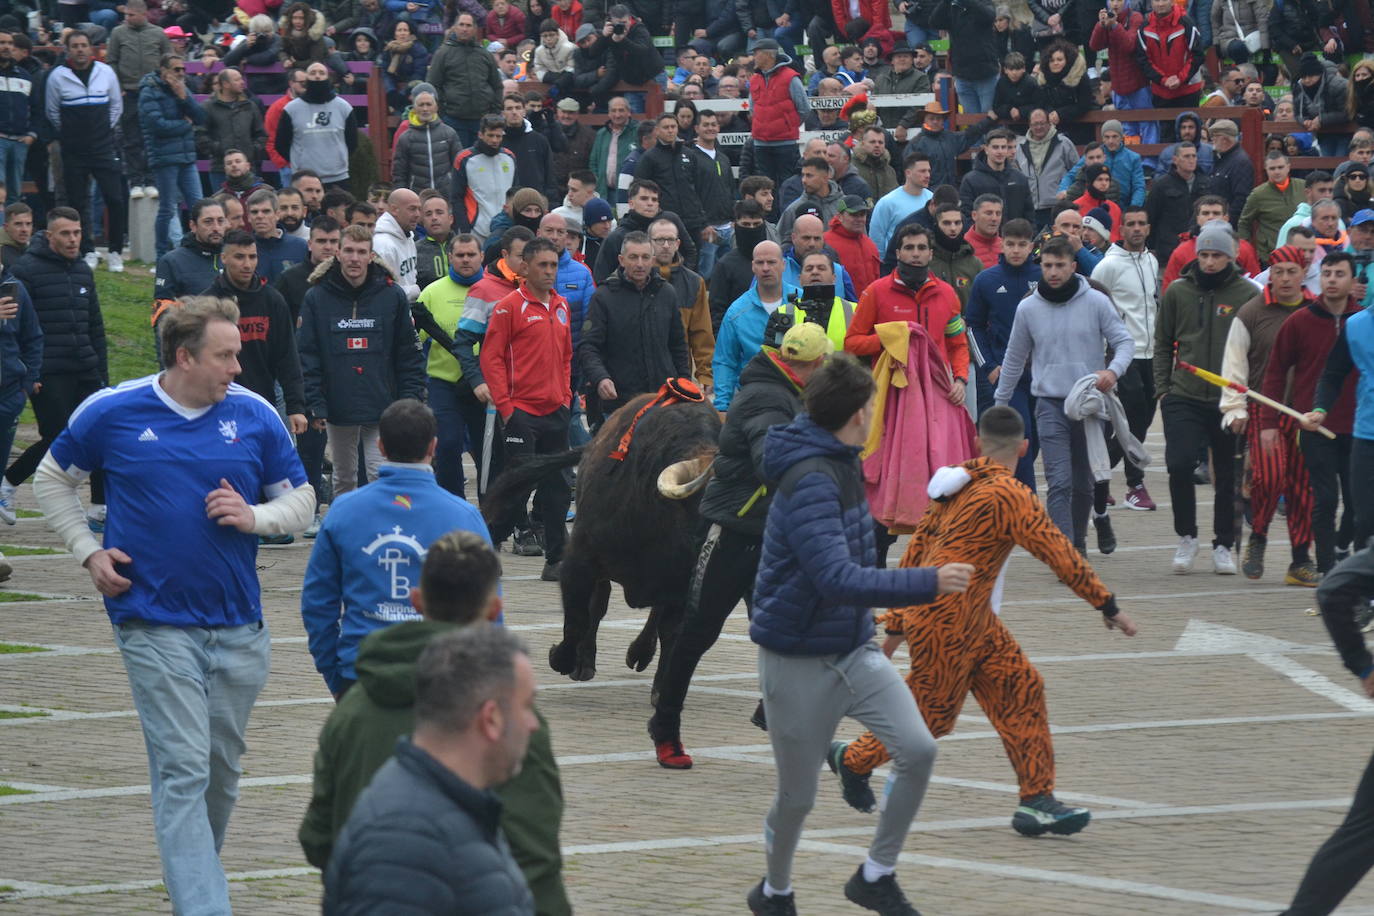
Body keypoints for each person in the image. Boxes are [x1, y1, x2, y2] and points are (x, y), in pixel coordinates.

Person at [33, 297, 314, 915]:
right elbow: (52, 478)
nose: (238, 367)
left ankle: (192, 874)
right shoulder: (112, 410)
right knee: (184, 767)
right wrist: (88, 550)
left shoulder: (254, 413)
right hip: (151, 622)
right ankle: (203, 904)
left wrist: (254, 517)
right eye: (226, 355)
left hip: (239, 627)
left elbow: (302, 503)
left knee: (218, 772)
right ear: (185, 357)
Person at [833, 406, 1138, 836]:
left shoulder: (954, 484)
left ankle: (1036, 800)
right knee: (933, 717)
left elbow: (917, 553)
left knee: (1022, 686)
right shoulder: (1011, 495)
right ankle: (851, 760)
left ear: (977, 443)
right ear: (1025, 448)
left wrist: (899, 623)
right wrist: (1107, 605)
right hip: (946, 623)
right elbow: (1059, 553)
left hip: (969, 620)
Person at [745, 352, 972, 916]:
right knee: (798, 797)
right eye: (872, 403)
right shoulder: (812, 479)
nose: (877, 411)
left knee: (917, 749)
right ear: (853, 414)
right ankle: (774, 892)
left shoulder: (840, 459)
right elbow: (836, 578)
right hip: (795, 660)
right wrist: (929, 582)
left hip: (850, 649)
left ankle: (876, 875)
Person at [299, 520, 572, 914]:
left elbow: (319, 839)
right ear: (494, 608)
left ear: (417, 602)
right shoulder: (510, 715)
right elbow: (535, 858)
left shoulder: (353, 709)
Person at [647, 321, 828, 766]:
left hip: (772, 533)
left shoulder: (794, 392)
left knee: (789, 629)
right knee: (697, 632)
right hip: (734, 531)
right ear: (811, 363)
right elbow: (771, 462)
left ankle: (776, 711)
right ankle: (665, 726)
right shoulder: (769, 397)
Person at [322, 626, 540, 915]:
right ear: (491, 718)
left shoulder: (456, 806)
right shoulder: (406, 841)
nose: (533, 724)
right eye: (526, 706)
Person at [994, 235, 1135, 552]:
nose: (1054, 271)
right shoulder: (1028, 308)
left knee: (1084, 483)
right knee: (1059, 480)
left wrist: (1112, 371)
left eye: (1060, 265)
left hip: (1088, 406)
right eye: (1047, 265)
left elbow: (1125, 342)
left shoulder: (1096, 302)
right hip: (1049, 403)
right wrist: (1000, 406)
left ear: (1074, 266)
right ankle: (1064, 549)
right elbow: (1014, 360)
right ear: (1040, 266)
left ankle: (1080, 541)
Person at [299, 225, 427, 499]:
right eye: (348, 251)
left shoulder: (392, 295)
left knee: (379, 471)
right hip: (337, 405)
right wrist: (315, 404)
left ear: (371, 256)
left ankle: (379, 529)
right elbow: (308, 355)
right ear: (337, 253)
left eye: (361, 252)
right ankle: (344, 532)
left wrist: (410, 398)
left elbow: (408, 351)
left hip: (383, 403)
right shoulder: (316, 297)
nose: (354, 258)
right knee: (343, 477)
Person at [1154, 220, 1252, 575]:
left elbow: (1253, 351)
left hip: (1228, 398)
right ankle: (1187, 536)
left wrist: (1245, 398)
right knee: (1179, 463)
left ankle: (1223, 543)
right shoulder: (1178, 291)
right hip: (1184, 393)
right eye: (1205, 254)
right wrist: (1163, 389)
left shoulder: (1248, 294)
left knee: (1226, 473)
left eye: (1217, 255)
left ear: (1231, 256)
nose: (1209, 262)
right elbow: (1163, 342)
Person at [1, 208, 107, 528]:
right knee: (58, 436)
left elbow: (95, 326)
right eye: (65, 234)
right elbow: (22, 328)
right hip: (48, 372)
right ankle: (9, 482)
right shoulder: (26, 271)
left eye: (77, 233)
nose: (73, 240)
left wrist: (102, 373)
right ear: (49, 236)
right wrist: (28, 373)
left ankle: (99, 507)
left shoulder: (83, 270)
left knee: (101, 431)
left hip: (85, 367)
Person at [1221, 244, 1319, 586]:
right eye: (1279, 272)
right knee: (1270, 478)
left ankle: (1300, 560)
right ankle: (1258, 536)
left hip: (1306, 415)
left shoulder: (1316, 310)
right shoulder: (1251, 313)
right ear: (1269, 275)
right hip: (1266, 411)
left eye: (1292, 271)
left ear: (1304, 273)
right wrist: (1234, 408)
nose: (1286, 279)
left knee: (1303, 489)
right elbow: (1234, 366)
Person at [480, 237, 574, 580]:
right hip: (521, 413)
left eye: (554, 265)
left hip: (555, 412)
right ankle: (490, 541)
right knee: (518, 487)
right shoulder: (508, 306)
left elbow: (566, 357)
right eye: (542, 265)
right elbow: (490, 359)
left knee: (558, 487)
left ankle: (556, 558)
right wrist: (507, 408)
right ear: (525, 268)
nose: (549, 271)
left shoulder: (562, 305)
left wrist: (564, 396)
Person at [1270, 254, 1357, 577]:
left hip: (1358, 426)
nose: (1332, 279)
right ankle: (1326, 568)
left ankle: (1341, 545)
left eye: (1340, 274)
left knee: (1356, 502)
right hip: (1313, 424)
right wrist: (1268, 424)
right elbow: (1276, 372)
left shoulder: (1362, 322)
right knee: (1324, 498)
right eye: (1327, 273)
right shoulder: (1300, 321)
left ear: (1352, 281)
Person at [202, 227, 307, 434]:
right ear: (224, 258)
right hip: (217, 404)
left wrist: (296, 407)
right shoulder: (207, 303)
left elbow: (287, 356)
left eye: (252, 257)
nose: (247, 264)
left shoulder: (273, 300)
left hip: (263, 402)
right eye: (239, 257)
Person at [1090, 205, 1161, 511]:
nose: (1136, 229)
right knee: (1131, 417)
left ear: (1147, 228)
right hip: (1123, 353)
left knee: (1142, 419)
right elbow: (1093, 304)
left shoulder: (1152, 260)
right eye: (1130, 224)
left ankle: (1099, 478)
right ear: (1121, 229)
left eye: (1141, 224)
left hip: (1151, 353)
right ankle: (1134, 484)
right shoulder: (1108, 265)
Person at [580, 230, 690, 419]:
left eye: (645, 257)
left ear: (652, 260)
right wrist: (600, 378)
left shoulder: (667, 293)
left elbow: (678, 345)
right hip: (618, 403)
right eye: (633, 257)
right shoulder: (604, 296)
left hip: (662, 399)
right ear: (621, 260)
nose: (640, 264)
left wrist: (684, 383)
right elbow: (588, 346)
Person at [966, 218, 1042, 489]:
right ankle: (1026, 501)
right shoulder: (987, 280)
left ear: (1031, 246)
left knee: (1035, 443)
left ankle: (1011, 494)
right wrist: (989, 366)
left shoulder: (1044, 277)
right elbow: (973, 327)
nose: (1016, 250)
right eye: (1010, 244)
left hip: (1042, 375)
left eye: (1022, 245)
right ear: (1002, 244)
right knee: (1022, 436)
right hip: (1007, 375)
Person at [46, 30, 126, 273]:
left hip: (103, 148)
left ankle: (115, 252)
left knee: (115, 198)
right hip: (74, 151)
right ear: (67, 50)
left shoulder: (106, 73)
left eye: (84, 45)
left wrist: (101, 133)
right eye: (75, 46)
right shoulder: (57, 77)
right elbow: (53, 113)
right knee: (77, 202)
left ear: (92, 48)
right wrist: (74, 136)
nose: (80, 49)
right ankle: (88, 250)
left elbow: (116, 107)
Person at [713, 241, 801, 411]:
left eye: (772, 262)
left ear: (783, 265)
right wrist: (722, 407)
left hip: (797, 396)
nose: (766, 268)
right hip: (753, 400)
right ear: (753, 267)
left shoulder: (802, 302)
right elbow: (725, 361)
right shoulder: (736, 313)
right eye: (760, 263)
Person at [138, 53, 204, 260]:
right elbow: (158, 126)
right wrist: (186, 125)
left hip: (186, 156)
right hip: (164, 158)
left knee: (198, 206)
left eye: (183, 69)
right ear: (164, 70)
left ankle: (198, 251)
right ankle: (161, 256)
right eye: (176, 69)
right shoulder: (149, 91)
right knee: (167, 208)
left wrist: (183, 97)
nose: (181, 73)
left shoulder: (182, 90)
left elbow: (201, 117)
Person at [107, 0, 170, 198]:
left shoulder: (158, 33)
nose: (127, 18)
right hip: (129, 92)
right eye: (126, 15)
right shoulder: (118, 33)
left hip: (153, 92)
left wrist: (164, 87)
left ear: (142, 14)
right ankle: (135, 181)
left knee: (152, 137)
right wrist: (118, 88)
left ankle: (151, 180)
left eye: (131, 15)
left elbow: (168, 61)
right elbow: (112, 61)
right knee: (131, 139)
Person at [650, 218, 714, 392]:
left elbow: (702, 334)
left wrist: (705, 374)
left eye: (670, 240)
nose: (665, 245)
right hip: (639, 374)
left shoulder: (694, 283)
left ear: (678, 244)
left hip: (678, 373)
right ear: (649, 243)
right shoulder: (638, 278)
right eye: (659, 240)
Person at [154, 200, 228, 349]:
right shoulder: (171, 261)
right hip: (194, 351)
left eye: (220, 221)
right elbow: (162, 319)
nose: (216, 228)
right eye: (208, 222)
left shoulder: (235, 257)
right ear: (193, 226)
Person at [592, 178, 697, 282]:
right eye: (644, 198)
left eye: (654, 200)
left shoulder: (671, 221)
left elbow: (690, 251)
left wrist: (681, 280)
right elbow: (601, 277)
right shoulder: (616, 237)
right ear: (631, 203)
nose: (650, 203)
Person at [277, 62, 359, 190]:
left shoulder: (344, 107)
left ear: (328, 78)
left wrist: (337, 159)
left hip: (338, 178)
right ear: (306, 78)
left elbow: (352, 142)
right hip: (303, 179)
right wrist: (299, 160)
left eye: (321, 73)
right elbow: (281, 144)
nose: (317, 76)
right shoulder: (291, 109)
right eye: (313, 73)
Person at [426, 12, 504, 147]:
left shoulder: (484, 54)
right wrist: (443, 113)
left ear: (474, 29)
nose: (464, 28)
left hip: (482, 121)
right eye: (461, 25)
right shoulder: (443, 53)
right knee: (459, 161)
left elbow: (497, 85)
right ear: (455, 27)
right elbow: (433, 85)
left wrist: (495, 111)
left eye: (468, 25)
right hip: (454, 120)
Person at [748, 39, 807, 194]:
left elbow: (804, 108)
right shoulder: (755, 79)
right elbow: (753, 109)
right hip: (763, 143)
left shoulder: (790, 77)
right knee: (766, 188)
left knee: (786, 186)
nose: (754, 57)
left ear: (768, 54)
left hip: (783, 143)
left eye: (756, 53)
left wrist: (787, 126)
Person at [1164, 196, 1263, 288]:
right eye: (1205, 213)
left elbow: (1255, 282)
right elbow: (1170, 287)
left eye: (1216, 213)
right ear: (1198, 219)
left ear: (1226, 218)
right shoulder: (1182, 251)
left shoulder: (1244, 248)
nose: (1211, 217)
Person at [1091, 0, 1154, 144]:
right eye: (1112, 0)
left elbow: (1129, 45)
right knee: (1127, 128)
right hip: (1119, 87)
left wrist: (1114, 25)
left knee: (1146, 125)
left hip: (1139, 85)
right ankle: (1130, 159)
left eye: (1119, 0)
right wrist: (1100, 25)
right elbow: (1095, 45)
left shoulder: (1135, 17)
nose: (1115, 4)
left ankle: (1149, 162)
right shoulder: (1108, 19)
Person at [900, 101, 996, 194]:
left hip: (951, 192)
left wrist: (989, 120)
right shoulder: (916, 144)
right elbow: (910, 173)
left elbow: (970, 134)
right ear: (924, 120)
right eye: (931, 118)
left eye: (938, 118)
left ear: (943, 120)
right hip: (928, 194)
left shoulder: (951, 138)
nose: (935, 121)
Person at [451, 114, 518, 244]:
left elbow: (515, 195)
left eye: (498, 136)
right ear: (481, 134)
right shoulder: (465, 159)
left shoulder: (510, 157)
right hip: (476, 230)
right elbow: (456, 197)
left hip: (506, 229)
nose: (494, 140)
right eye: (490, 135)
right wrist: (465, 229)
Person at [1135, 0, 1204, 117]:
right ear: (1151, 3)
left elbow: (1198, 55)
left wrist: (1180, 78)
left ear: (1172, 2)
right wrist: (1163, 80)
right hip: (1160, 93)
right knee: (1165, 134)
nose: (1160, 4)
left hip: (1188, 91)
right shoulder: (1144, 28)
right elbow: (1143, 61)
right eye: (1156, 0)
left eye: (1164, 0)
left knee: (1189, 133)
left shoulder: (1186, 23)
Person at [393, 88, 462, 199]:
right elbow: (399, 173)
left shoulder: (449, 133)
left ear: (436, 107)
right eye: (421, 105)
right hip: (417, 197)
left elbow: (459, 166)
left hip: (445, 196)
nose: (425, 109)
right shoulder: (405, 138)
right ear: (414, 109)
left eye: (429, 104)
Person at [1146, 141, 1208, 266]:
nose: (1191, 160)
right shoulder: (1161, 185)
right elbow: (1150, 217)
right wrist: (1151, 247)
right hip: (1168, 251)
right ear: (1175, 160)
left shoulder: (1206, 183)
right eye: (1186, 156)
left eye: (1194, 156)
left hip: (1200, 250)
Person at [1241, 151, 1308, 264]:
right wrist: (1245, 250)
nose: (1277, 172)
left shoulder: (1303, 187)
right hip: (1270, 256)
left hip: (1302, 252)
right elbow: (1244, 223)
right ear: (1266, 170)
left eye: (1280, 167)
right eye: (1272, 168)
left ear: (1288, 167)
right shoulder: (1258, 194)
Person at [1016, 109, 1080, 227]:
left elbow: (1077, 172)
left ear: (1049, 123)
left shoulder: (1063, 143)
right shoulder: (1019, 147)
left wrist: (1068, 193)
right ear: (1029, 125)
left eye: (1042, 123)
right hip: (1030, 208)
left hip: (1057, 207)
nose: (1039, 127)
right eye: (1035, 124)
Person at [870, 151, 932, 256]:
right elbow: (877, 238)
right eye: (922, 171)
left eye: (929, 171)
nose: (927, 175)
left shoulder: (932, 199)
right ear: (908, 173)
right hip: (895, 265)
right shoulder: (888, 202)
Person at [0, 32, 36, 209]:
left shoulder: (25, 76)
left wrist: (32, 134)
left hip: (20, 141)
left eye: (9, 43)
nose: (6, 47)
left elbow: (37, 109)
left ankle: (9, 236)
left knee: (14, 194)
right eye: (1, 43)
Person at [245, 189, 309, 283]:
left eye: (266, 211)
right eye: (254, 212)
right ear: (248, 217)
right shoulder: (243, 248)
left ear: (277, 215)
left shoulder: (300, 246)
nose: (260, 216)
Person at [373, 188, 423, 301]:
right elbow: (380, 290)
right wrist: (412, 291)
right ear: (395, 209)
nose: (417, 214)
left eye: (419, 209)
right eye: (412, 209)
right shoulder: (382, 244)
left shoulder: (408, 235)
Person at [929, 201, 983, 305]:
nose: (953, 228)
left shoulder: (975, 264)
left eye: (957, 223)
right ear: (936, 225)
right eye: (946, 223)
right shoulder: (926, 261)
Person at [825, 197, 880, 295]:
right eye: (853, 215)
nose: (859, 219)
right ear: (839, 216)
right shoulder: (825, 243)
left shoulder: (870, 244)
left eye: (862, 215)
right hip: (842, 307)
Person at [416, 193, 455, 290]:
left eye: (439, 212)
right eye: (428, 214)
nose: (434, 217)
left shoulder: (464, 246)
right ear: (423, 222)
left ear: (450, 219)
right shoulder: (414, 250)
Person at [0, 204, 31, 271]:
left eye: (28, 224)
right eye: (18, 224)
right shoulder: (2, 253)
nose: (24, 229)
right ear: (6, 227)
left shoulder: (33, 247)